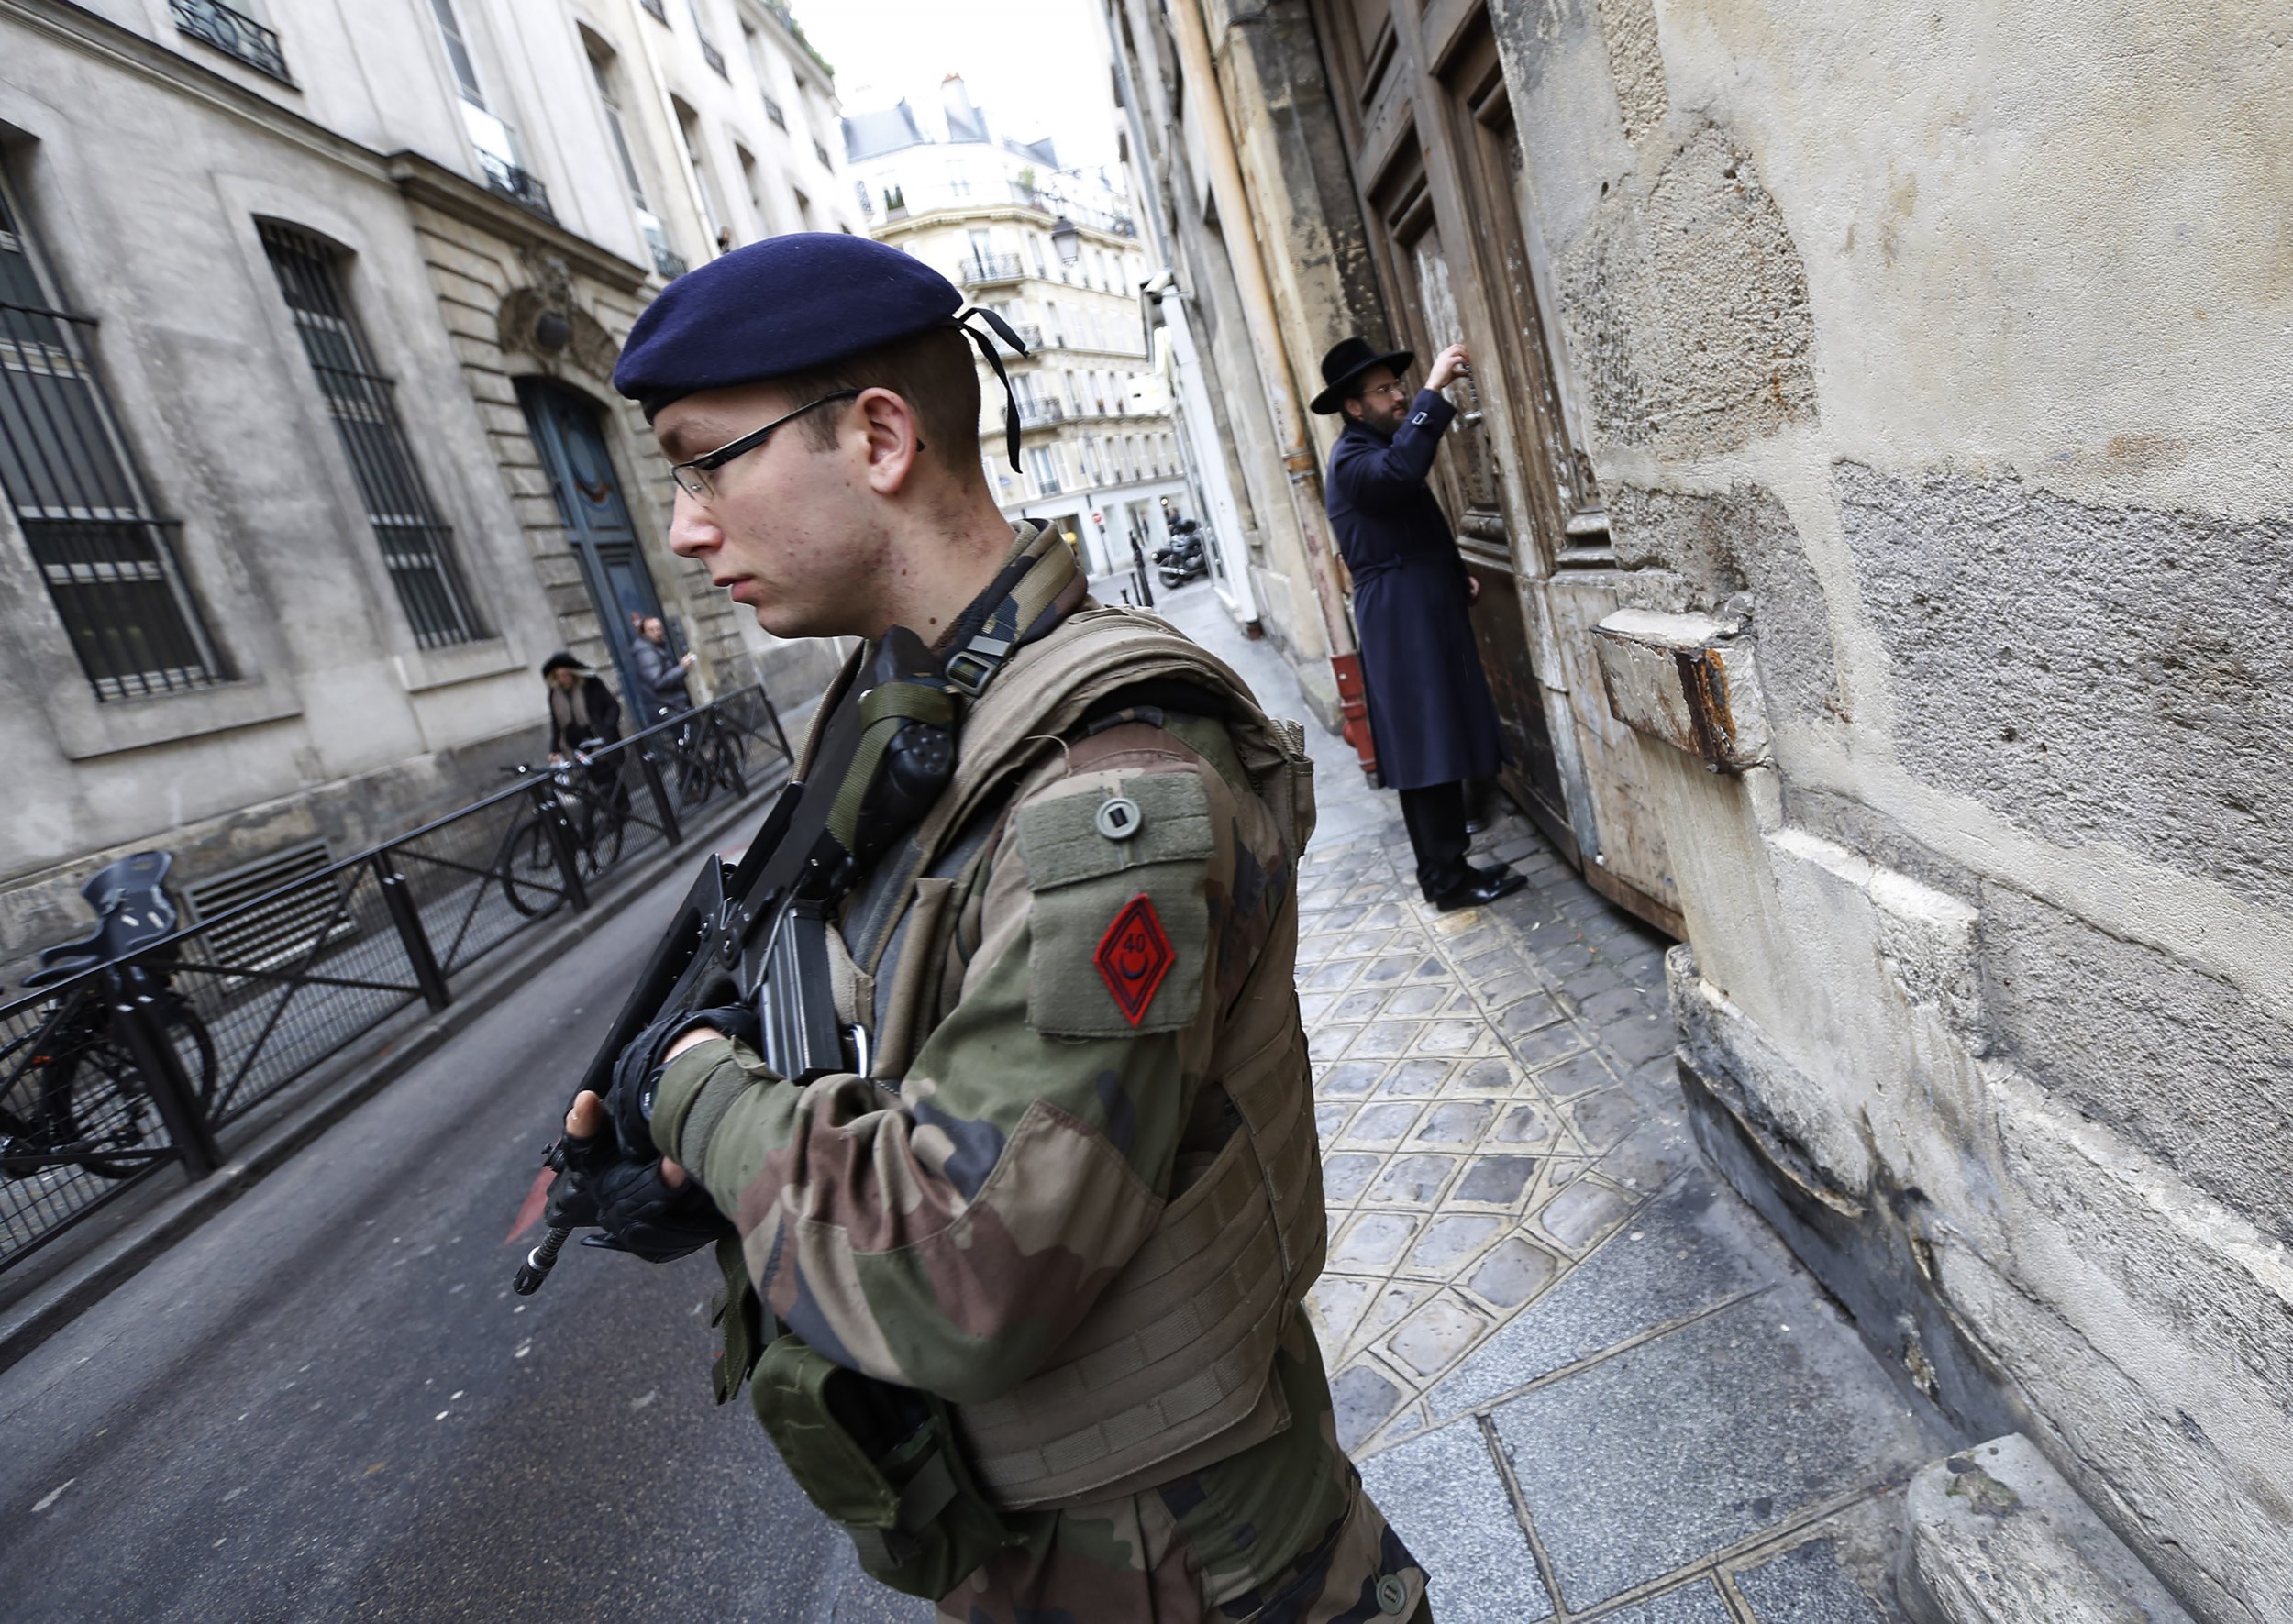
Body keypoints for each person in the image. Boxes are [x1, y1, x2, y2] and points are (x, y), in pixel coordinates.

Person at [551, 233, 1432, 1623]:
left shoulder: (1105, 780)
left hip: (1195, 1568)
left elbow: (965, 1263)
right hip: (1044, 1546)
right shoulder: (912, 721)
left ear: (881, 436)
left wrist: (694, 1092)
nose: (684, 526)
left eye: (706, 459)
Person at [1314, 335, 1524, 911]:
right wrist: (1434, 389)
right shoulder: (1353, 460)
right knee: (1425, 745)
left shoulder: (1372, 446)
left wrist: (1456, 579)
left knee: (1444, 732)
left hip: (1420, 603)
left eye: (1398, 385)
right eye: (1383, 390)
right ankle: (1447, 881)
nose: (1398, 395)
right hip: (1400, 616)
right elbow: (1404, 470)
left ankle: (1453, 860)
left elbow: (1416, 525)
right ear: (1353, 406)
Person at [540, 652, 628, 815]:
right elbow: (556, 722)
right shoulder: (554, 694)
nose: (563, 679)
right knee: (590, 780)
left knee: (608, 775)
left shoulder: (590, 684)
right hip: (575, 744)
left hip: (597, 738)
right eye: (559, 676)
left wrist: (607, 727)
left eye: (566, 674)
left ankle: (621, 809)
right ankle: (612, 814)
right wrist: (554, 749)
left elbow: (612, 705)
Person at [630, 613, 696, 721]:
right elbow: (658, 682)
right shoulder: (645, 652)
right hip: (666, 706)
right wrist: (682, 668)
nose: (657, 633)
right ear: (644, 633)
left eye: (659, 629)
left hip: (672, 704)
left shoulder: (655, 646)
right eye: (652, 630)